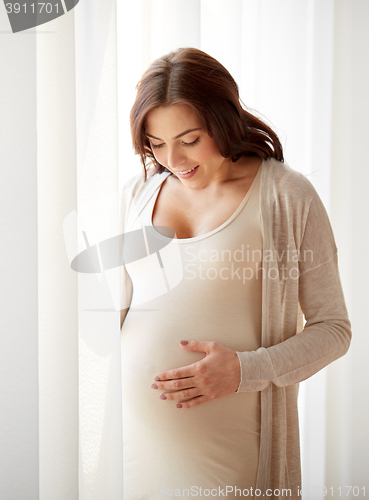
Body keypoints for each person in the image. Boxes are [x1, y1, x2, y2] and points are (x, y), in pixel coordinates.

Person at [119, 47, 352, 500]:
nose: (174, 159)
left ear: (224, 119)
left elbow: (334, 329)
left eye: (189, 139)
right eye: (157, 143)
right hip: (131, 450)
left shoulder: (286, 196)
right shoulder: (139, 192)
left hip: (233, 451)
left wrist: (246, 370)